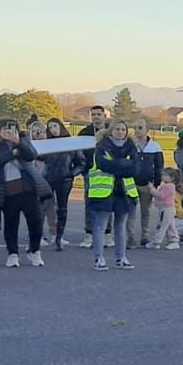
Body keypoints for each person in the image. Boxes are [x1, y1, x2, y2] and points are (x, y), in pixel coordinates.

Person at [0, 119, 46, 267]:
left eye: (12, 129)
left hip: (28, 189)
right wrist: (12, 153)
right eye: (5, 129)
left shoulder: (24, 142)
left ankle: (35, 251)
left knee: (36, 221)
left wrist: (18, 142)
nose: (8, 131)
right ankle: (13, 254)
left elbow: (32, 155)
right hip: (7, 190)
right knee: (11, 223)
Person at [87, 119, 140, 269]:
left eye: (123, 130)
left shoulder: (131, 147)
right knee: (100, 226)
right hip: (104, 192)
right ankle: (99, 258)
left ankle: (121, 258)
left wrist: (117, 166)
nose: (120, 132)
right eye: (117, 129)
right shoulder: (101, 147)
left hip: (124, 192)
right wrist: (123, 164)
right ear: (111, 131)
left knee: (120, 226)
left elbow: (134, 168)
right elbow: (104, 165)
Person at [42, 118, 79, 252]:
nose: (53, 129)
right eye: (50, 127)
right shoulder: (47, 144)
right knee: (43, 206)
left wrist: (71, 173)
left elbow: (81, 162)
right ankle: (39, 236)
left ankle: (59, 237)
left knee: (62, 209)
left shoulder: (70, 143)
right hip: (48, 179)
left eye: (55, 126)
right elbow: (38, 156)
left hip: (64, 180)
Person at [77, 105, 109, 246]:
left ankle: (107, 233)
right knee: (90, 203)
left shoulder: (111, 131)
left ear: (104, 116)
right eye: (93, 114)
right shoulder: (84, 133)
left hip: (108, 173)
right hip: (90, 173)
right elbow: (79, 153)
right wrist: (84, 169)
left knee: (108, 203)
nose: (96, 117)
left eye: (98, 114)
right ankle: (89, 234)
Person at [131, 120, 165, 248]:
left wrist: (156, 183)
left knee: (146, 211)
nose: (137, 130)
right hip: (132, 184)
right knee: (131, 211)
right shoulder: (131, 145)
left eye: (140, 127)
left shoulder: (155, 146)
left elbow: (159, 166)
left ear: (147, 130)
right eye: (135, 127)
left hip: (147, 184)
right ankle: (131, 237)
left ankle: (144, 236)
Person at [151, 168, 181, 249]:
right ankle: (174, 240)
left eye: (165, 175)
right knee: (170, 226)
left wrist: (152, 190)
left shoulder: (169, 186)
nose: (162, 176)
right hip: (166, 209)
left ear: (172, 178)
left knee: (162, 226)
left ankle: (156, 242)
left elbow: (161, 196)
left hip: (166, 209)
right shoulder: (167, 186)